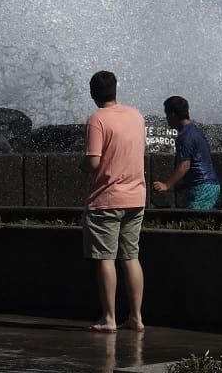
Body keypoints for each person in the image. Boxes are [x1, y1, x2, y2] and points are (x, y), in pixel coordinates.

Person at [81, 70, 147, 332]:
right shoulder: (136, 115)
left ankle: (109, 318)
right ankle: (137, 317)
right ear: (115, 90)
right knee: (131, 256)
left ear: (92, 93)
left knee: (106, 258)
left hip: (106, 199)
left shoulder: (97, 119)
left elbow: (93, 161)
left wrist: (82, 165)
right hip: (136, 197)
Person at [151, 95, 221, 209]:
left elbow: (185, 165)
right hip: (206, 185)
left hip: (202, 187)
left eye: (167, 115)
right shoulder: (195, 131)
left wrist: (166, 185)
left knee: (191, 222)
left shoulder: (184, 136)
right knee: (184, 219)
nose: (167, 119)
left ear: (173, 115)